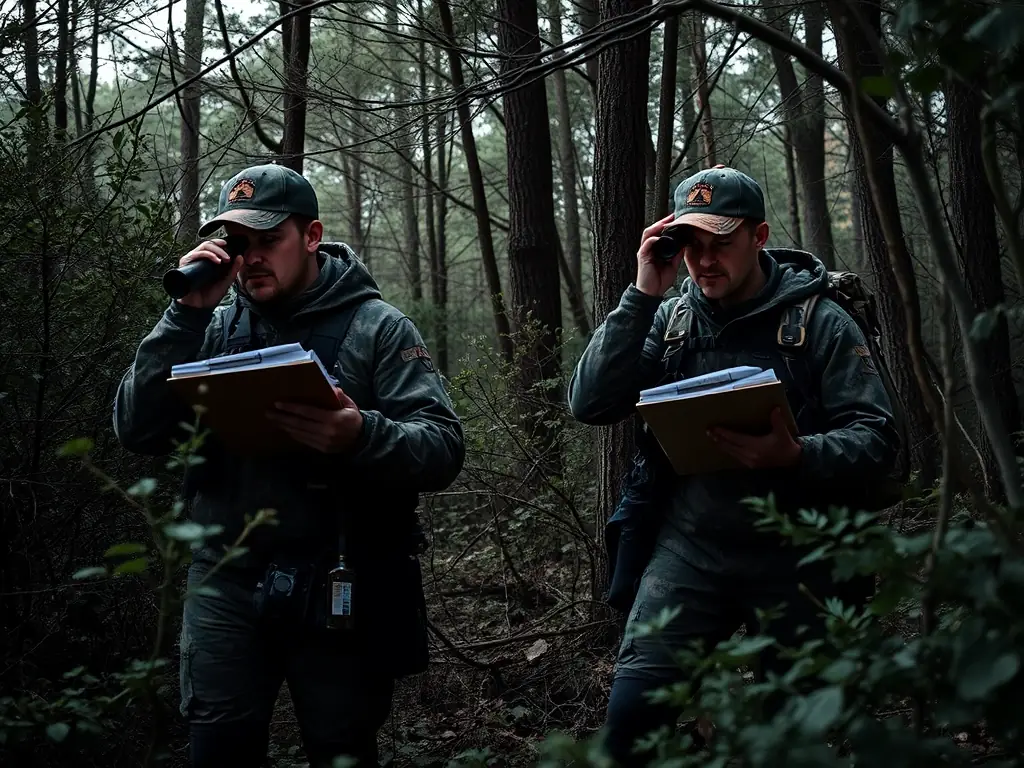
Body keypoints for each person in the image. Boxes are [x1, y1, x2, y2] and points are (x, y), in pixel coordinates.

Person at [112, 163, 466, 767]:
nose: (250, 258)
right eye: (238, 242)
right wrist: (184, 315)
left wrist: (360, 434)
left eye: (267, 239)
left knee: (340, 745)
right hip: (225, 573)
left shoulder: (376, 328)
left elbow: (442, 447)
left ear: (310, 235)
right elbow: (136, 428)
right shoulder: (212, 325)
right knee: (218, 742)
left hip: (336, 577)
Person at [567, 165, 901, 766]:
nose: (703, 261)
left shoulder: (819, 320)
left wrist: (798, 455)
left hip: (801, 555)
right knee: (631, 729)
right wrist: (642, 293)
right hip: (692, 548)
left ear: (760, 236)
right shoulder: (671, 321)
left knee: (791, 742)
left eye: (721, 243)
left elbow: (878, 439)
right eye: (690, 245)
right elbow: (589, 403)